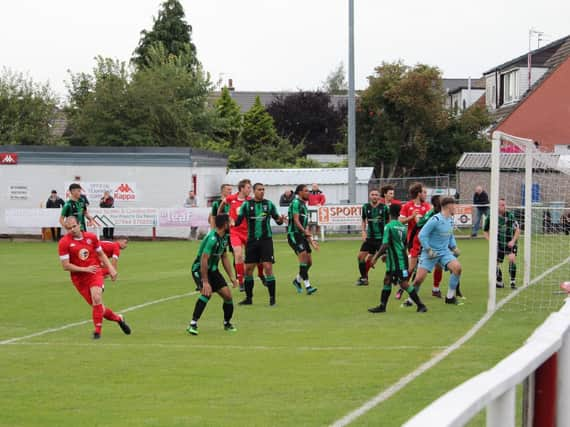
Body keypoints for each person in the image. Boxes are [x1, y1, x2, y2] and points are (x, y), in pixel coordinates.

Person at [58, 216, 131, 339]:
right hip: (79, 278)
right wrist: (84, 269)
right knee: (99, 308)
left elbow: (101, 254)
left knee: (97, 297)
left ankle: (97, 332)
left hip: (95, 272)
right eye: (69, 228)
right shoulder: (64, 242)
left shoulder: (91, 237)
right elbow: (65, 266)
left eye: (74, 226)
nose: (72, 229)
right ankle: (119, 318)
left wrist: (111, 269)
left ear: (79, 224)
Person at [368, 204, 427, 313]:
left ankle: (421, 305)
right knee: (387, 280)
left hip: (396, 261)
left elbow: (385, 244)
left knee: (404, 284)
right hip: (398, 259)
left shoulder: (389, 226)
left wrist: (375, 257)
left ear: (389, 213)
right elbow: (402, 244)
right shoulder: (402, 227)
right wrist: (388, 255)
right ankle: (382, 306)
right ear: (399, 213)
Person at [235, 183, 286, 306]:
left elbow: (277, 220)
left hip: (265, 240)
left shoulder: (269, 204)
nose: (262, 191)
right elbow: (238, 222)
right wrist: (230, 221)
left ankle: (272, 299)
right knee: (248, 270)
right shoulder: (246, 205)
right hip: (252, 241)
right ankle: (249, 298)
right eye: (259, 190)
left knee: (268, 267)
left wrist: (280, 219)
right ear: (254, 191)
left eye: (263, 190)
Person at [187, 214, 238, 335]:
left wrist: (232, 277)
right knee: (207, 293)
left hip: (213, 270)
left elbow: (224, 256)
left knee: (228, 297)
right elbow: (204, 259)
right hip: (200, 269)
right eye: (230, 222)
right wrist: (205, 281)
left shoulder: (225, 237)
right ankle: (193, 324)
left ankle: (227, 323)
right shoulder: (212, 238)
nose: (232, 224)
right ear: (225, 224)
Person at [413, 197, 463, 306]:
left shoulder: (450, 219)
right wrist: (428, 249)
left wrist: (454, 247)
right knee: (418, 280)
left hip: (444, 252)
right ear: (448, 206)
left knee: (457, 268)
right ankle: (411, 300)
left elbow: (450, 235)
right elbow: (422, 235)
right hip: (430, 253)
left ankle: (450, 298)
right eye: (454, 205)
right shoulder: (435, 220)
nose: (455, 207)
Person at [218, 179, 264, 288]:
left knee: (258, 257)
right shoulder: (231, 198)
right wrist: (221, 217)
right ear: (242, 188)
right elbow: (222, 204)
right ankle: (240, 280)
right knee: (238, 255)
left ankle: (261, 274)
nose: (250, 190)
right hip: (235, 232)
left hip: (248, 233)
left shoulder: (250, 200)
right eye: (248, 187)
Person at [397, 183, 431, 300]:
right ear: (418, 194)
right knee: (410, 268)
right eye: (424, 192)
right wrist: (411, 217)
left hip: (427, 242)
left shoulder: (427, 207)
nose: (426, 195)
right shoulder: (407, 206)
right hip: (414, 242)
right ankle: (402, 287)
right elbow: (400, 221)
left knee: (433, 267)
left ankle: (436, 289)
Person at [408, 195, 444, 298]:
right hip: (426, 245)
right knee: (414, 270)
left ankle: (436, 289)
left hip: (440, 245)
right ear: (437, 204)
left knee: (446, 267)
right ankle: (404, 288)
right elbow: (418, 225)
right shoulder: (431, 214)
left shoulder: (445, 214)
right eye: (442, 200)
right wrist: (410, 242)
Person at [484, 199, 521, 289]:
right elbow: (485, 231)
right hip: (499, 243)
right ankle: (499, 281)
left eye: (504, 205)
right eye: (502, 205)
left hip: (510, 242)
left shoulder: (510, 216)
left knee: (511, 259)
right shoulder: (491, 216)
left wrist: (513, 241)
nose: (504, 207)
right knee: (495, 264)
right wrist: (491, 241)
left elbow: (517, 230)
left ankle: (512, 282)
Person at [288, 184, 318, 295]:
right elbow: (296, 220)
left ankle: (297, 280)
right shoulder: (296, 203)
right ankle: (308, 286)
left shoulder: (304, 206)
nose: (308, 193)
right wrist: (304, 231)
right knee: (304, 257)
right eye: (306, 191)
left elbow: (305, 225)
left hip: (302, 236)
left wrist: (311, 240)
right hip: (294, 235)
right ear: (300, 192)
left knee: (309, 262)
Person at [355, 188, 389, 286]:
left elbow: (388, 221)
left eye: (376, 194)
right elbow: (363, 220)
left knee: (386, 259)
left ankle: (394, 276)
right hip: (369, 238)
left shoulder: (384, 208)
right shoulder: (365, 207)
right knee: (360, 257)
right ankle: (364, 278)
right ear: (370, 196)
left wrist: (388, 234)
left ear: (379, 197)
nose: (374, 196)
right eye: (372, 194)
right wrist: (363, 231)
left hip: (381, 238)